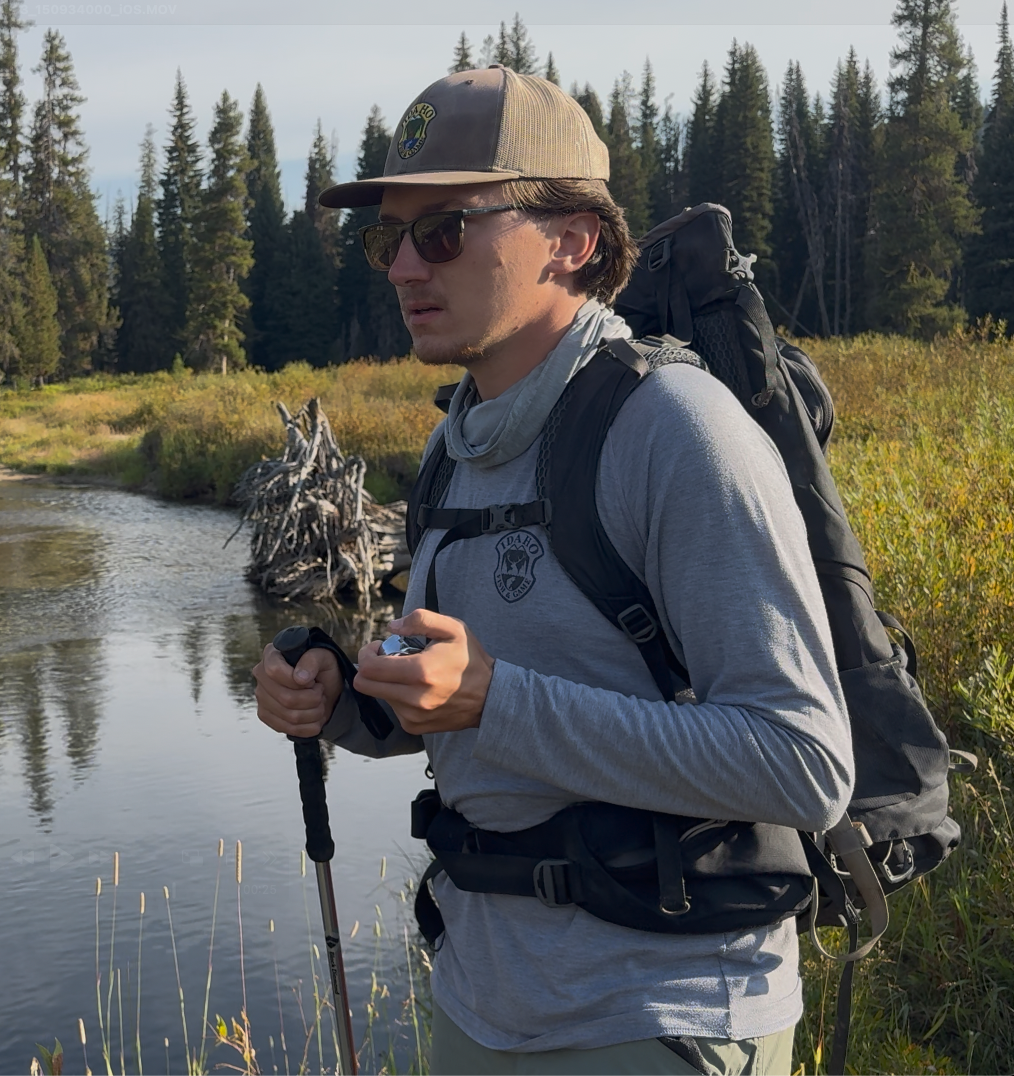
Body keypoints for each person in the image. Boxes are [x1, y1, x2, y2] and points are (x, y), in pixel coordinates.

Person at [250, 66, 852, 1076]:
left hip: (659, 1008)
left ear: (570, 238)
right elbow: (461, 705)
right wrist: (345, 693)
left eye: (441, 229)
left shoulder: (673, 430)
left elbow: (803, 762)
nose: (403, 265)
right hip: (482, 999)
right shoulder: (458, 444)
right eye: (385, 237)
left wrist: (494, 698)